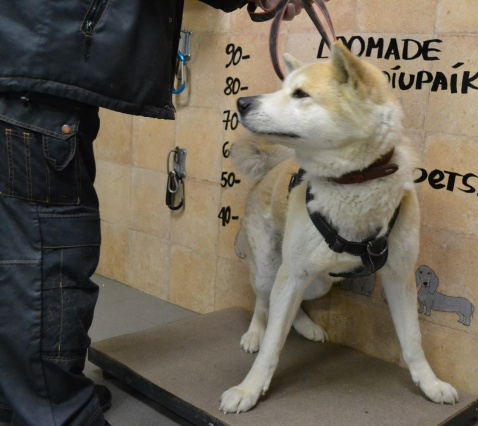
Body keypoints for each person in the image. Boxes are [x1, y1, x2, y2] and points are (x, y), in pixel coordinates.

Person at [0, 1, 302, 425]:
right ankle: (53, 408)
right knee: (48, 258)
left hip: (27, 72)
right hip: (32, 84)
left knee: (18, 255)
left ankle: (22, 394)